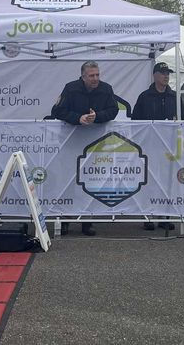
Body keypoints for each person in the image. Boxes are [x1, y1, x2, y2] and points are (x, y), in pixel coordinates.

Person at [54, 61, 118, 236]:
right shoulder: (70, 88)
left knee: (91, 181)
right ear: (83, 76)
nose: (95, 78)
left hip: (94, 145)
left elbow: (113, 111)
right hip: (71, 142)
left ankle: (87, 221)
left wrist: (97, 117)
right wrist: (78, 118)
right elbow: (57, 111)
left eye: (97, 75)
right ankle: (66, 219)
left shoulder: (106, 89)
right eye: (91, 75)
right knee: (68, 182)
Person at [132, 61, 184, 231]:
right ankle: (148, 215)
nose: (166, 76)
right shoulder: (144, 97)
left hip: (169, 147)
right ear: (155, 75)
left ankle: (165, 215)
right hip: (150, 146)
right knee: (149, 181)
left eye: (168, 73)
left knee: (167, 181)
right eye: (163, 73)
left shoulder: (174, 96)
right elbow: (135, 121)